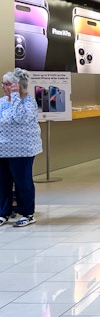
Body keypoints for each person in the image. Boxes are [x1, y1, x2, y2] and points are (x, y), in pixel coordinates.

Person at [0, 69, 42, 228]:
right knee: (3, 182)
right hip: (3, 148)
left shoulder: (29, 102)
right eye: (3, 84)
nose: (4, 87)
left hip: (22, 150)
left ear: (17, 86)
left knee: (22, 182)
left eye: (8, 84)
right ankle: (3, 212)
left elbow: (19, 118)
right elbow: (4, 121)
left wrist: (16, 96)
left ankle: (27, 214)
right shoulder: (2, 102)